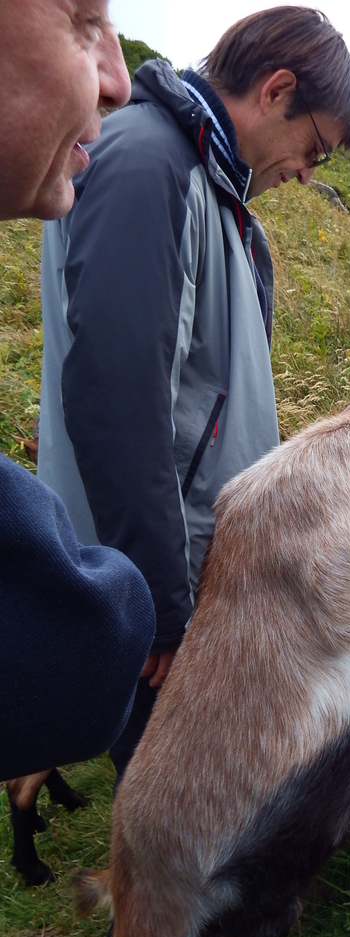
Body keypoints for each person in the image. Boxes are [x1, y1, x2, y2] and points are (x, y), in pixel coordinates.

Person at [39, 7, 350, 776]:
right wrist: (157, 598)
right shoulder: (150, 165)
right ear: (277, 88)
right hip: (159, 579)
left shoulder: (205, 180)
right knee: (167, 796)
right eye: (314, 146)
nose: (307, 172)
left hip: (187, 567)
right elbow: (117, 392)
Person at [0, 0, 156, 780]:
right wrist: (152, 597)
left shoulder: (220, 191)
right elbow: (70, 653)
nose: (117, 80)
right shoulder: (152, 166)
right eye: (84, 18)